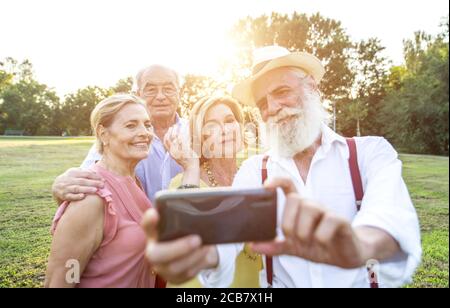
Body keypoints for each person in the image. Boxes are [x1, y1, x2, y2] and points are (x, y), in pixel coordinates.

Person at [142, 45, 422, 288]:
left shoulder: (369, 153)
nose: (272, 107)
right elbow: (229, 238)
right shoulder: (255, 171)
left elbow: (390, 219)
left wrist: (359, 246)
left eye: (282, 91)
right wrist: (207, 255)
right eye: (263, 102)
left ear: (312, 87)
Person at [46, 94, 157, 287]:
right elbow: (58, 281)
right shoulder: (90, 196)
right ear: (103, 134)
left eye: (147, 125)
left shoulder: (133, 181)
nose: (144, 132)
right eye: (131, 125)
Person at [52, 65, 187, 204]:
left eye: (168, 89)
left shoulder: (196, 132)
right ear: (138, 94)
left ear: (179, 93)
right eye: (151, 90)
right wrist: (61, 184)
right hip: (137, 223)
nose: (160, 96)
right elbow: (86, 176)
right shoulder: (120, 138)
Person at [164, 95, 261, 287]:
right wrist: (191, 168)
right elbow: (186, 247)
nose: (225, 130)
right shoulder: (181, 184)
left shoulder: (256, 178)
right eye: (212, 125)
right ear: (200, 136)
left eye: (229, 120)